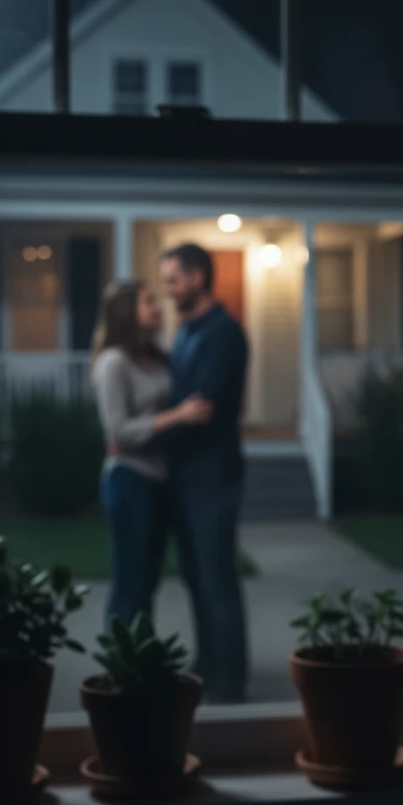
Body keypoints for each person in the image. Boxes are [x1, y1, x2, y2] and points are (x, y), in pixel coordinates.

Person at [91, 280, 213, 631]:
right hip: (129, 480)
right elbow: (117, 431)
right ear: (126, 312)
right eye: (148, 302)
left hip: (161, 481)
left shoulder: (156, 357)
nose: (157, 308)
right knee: (130, 582)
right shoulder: (112, 362)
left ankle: (142, 664)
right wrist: (176, 417)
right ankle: (119, 668)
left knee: (148, 583)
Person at [160, 243, 250, 703]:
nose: (168, 290)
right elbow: (181, 403)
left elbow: (205, 406)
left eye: (173, 280)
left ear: (197, 278)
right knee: (195, 576)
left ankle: (231, 677)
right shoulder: (186, 332)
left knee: (217, 576)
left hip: (213, 474)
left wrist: (157, 425)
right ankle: (207, 662)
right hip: (183, 474)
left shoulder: (223, 333)